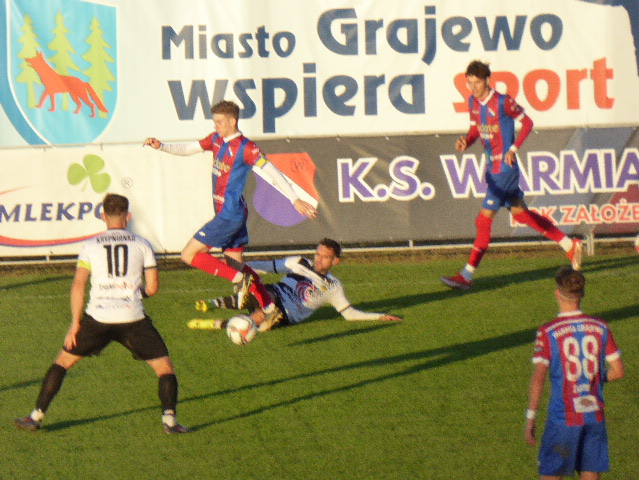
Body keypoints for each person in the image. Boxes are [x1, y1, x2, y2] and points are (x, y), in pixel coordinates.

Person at [13, 193, 189, 434]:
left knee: (63, 363)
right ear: (128, 217)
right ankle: (169, 421)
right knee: (164, 369)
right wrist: (133, 295)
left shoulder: (90, 246)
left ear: (103, 216)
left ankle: (35, 417)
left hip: (98, 317)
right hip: (132, 318)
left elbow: (78, 285)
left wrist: (75, 323)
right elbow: (152, 288)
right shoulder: (142, 244)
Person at [144, 100, 317, 323]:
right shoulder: (216, 139)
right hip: (232, 213)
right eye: (214, 121)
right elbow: (190, 148)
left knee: (189, 255)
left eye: (219, 121)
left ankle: (241, 280)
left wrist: (294, 200)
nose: (215, 125)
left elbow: (272, 171)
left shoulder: (247, 148)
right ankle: (269, 306)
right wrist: (162, 146)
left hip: (230, 214)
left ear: (232, 121)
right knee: (234, 264)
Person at [441, 60, 583, 291]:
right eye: (469, 82)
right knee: (522, 215)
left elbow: (527, 122)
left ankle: (466, 275)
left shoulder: (502, 101)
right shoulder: (472, 102)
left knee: (483, 220)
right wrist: (466, 141)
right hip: (492, 167)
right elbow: (476, 129)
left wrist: (513, 149)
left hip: (504, 169)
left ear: (487, 80)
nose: (473, 87)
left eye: (477, 82)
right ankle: (569, 244)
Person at [524, 266, 624, 479]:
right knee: (590, 473)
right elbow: (618, 371)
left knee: (552, 473)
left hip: (563, 419)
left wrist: (531, 417)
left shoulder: (548, 331)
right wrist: (594, 378)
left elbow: (538, 378)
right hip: (594, 416)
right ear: (582, 294)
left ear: (557, 293)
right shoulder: (601, 327)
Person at [188, 238, 402, 332]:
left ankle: (219, 323)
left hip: (286, 314)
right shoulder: (298, 262)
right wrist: (236, 267)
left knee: (259, 319)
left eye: (325, 257)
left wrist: (379, 316)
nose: (319, 259)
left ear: (335, 261)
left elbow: (349, 314)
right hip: (272, 294)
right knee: (258, 291)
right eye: (318, 254)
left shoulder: (333, 286)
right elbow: (266, 267)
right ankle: (213, 304)